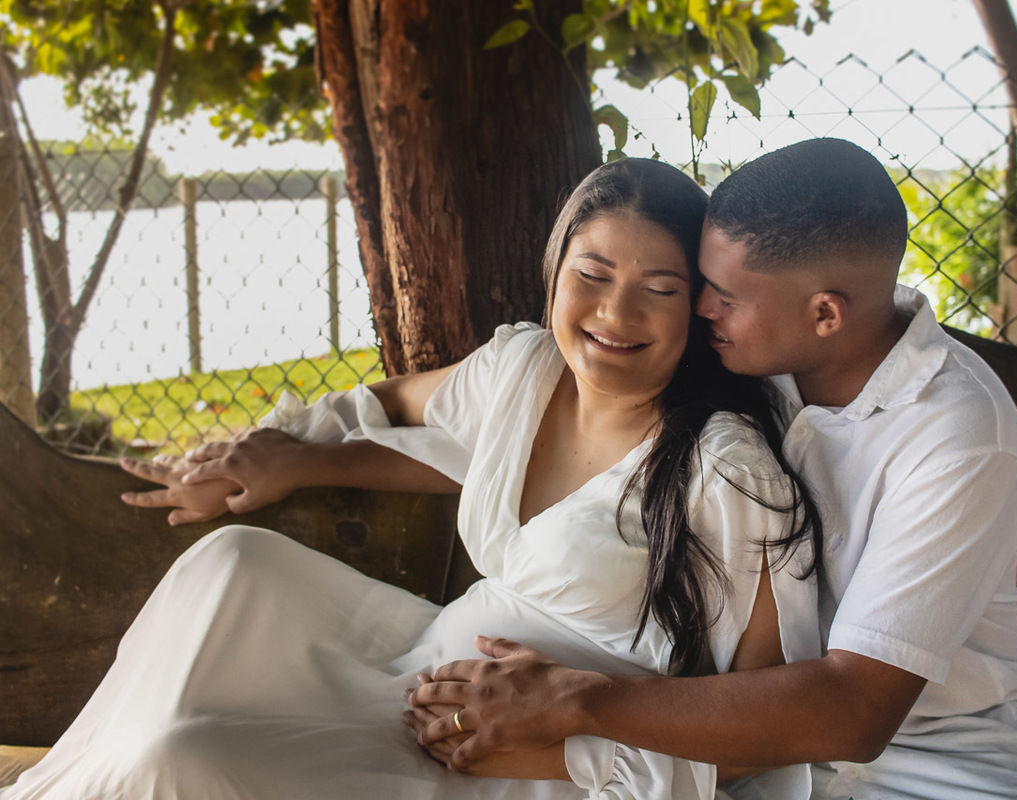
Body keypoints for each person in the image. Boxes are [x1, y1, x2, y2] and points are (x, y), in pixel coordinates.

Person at [0, 158, 823, 800]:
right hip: (426, 667)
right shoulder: (525, 372)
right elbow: (401, 403)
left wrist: (564, 745)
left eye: (660, 289)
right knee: (229, 568)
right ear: (556, 268)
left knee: (189, 758)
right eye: (593, 273)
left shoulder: (725, 473)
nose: (615, 313)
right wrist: (292, 456)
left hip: (540, 762)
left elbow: (762, 724)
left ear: (699, 309)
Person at [409, 139, 1017, 799]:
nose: (700, 310)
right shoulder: (766, 360)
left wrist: (576, 701)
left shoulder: (956, 437)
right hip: (749, 761)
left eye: (723, 296)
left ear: (825, 313)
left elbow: (856, 712)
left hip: (937, 773)